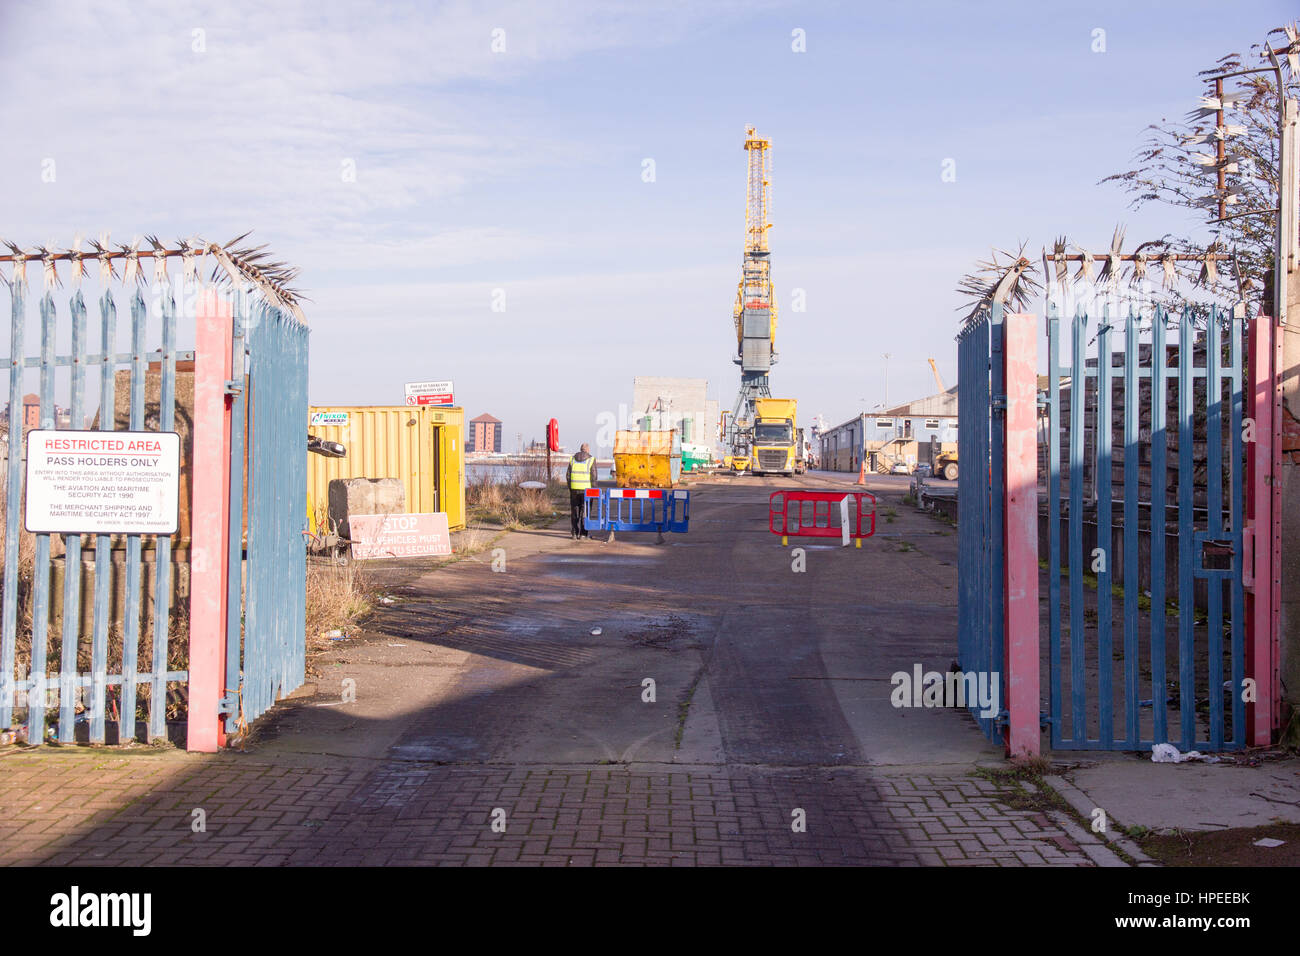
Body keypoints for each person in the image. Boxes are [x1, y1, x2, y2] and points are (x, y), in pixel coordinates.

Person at [566, 443, 598, 539]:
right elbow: (594, 477)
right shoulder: (591, 459)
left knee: (575, 511)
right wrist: (594, 491)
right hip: (587, 491)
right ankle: (583, 534)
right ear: (587, 450)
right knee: (586, 512)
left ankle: (575, 533)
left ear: (580, 449)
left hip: (574, 490)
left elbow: (568, 476)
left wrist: (571, 488)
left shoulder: (572, 459)